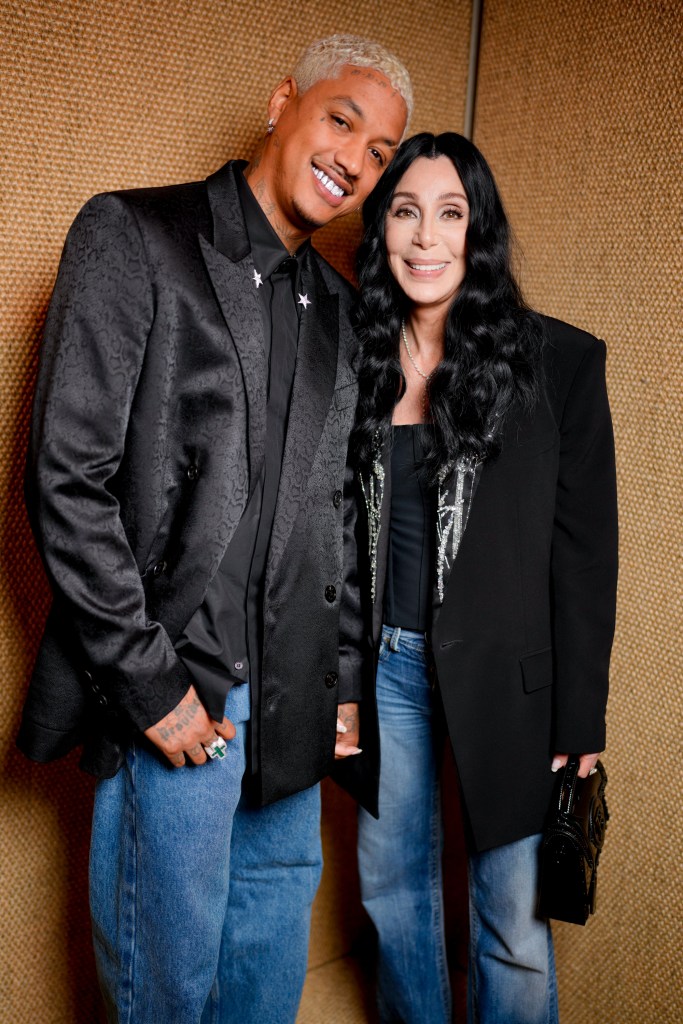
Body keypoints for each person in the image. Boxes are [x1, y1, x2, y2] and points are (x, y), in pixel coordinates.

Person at [16, 35, 411, 1023]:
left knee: (262, 988)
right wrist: (151, 687)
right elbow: (68, 477)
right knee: (166, 993)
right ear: (284, 103)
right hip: (181, 704)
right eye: (341, 121)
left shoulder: (340, 312)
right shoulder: (134, 235)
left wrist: (348, 683)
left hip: (297, 709)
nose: (353, 161)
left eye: (378, 154)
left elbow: (340, 517)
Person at [349, 132, 618, 1024]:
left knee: (509, 918)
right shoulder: (350, 356)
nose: (426, 238)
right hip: (384, 670)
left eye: (451, 214)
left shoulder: (560, 364)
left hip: (512, 682)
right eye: (405, 211)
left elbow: (584, 553)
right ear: (382, 228)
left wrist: (581, 716)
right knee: (393, 900)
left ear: (479, 232)